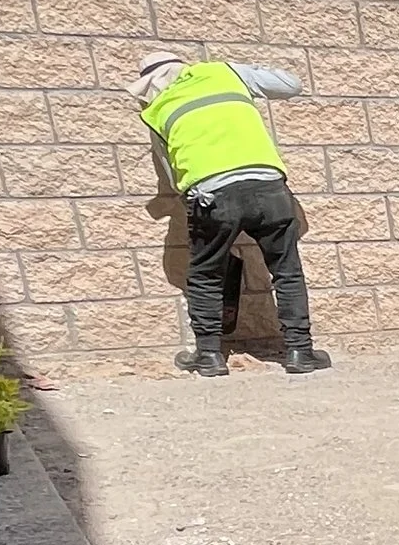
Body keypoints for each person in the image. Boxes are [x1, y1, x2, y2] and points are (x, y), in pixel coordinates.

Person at [134, 50, 331, 376]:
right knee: (286, 270)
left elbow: (172, 173)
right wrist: (246, 71)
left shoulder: (157, 109)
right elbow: (291, 84)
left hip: (212, 194)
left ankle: (209, 356)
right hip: (269, 185)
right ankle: (299, 352)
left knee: (205, 274)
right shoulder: (225, 73)